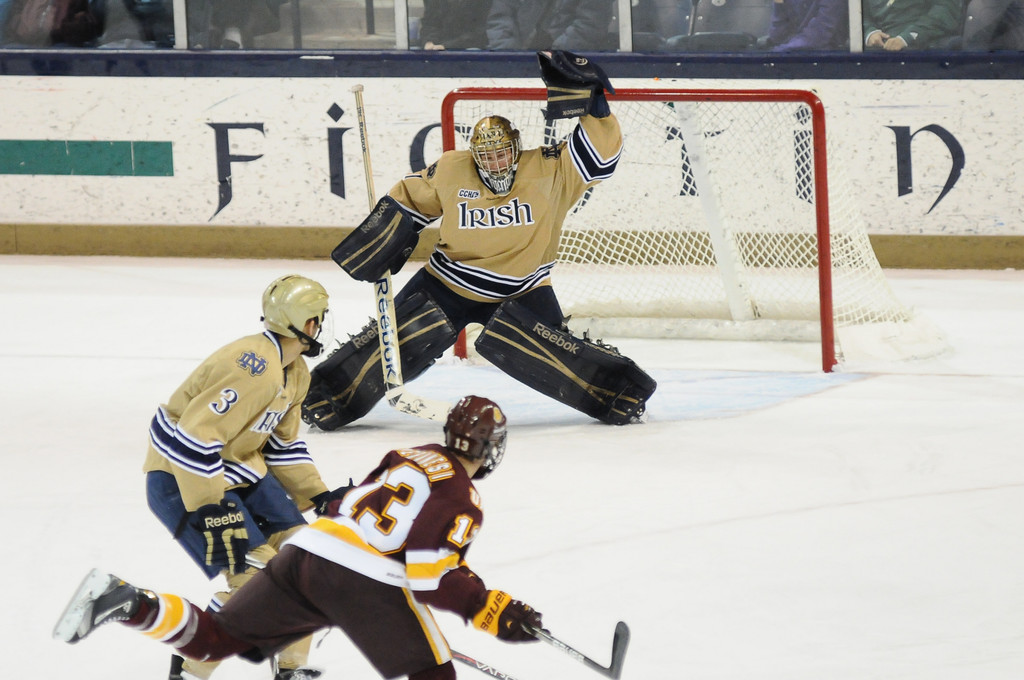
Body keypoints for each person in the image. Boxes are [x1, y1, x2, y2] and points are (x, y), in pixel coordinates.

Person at [55, 396, 543, 680]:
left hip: (308, 553)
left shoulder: (410, 454)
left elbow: (349, 505)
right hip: (365, 581)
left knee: (216, 640)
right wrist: (489, 608)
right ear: (491, 448)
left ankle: (129, 602)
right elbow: (430, 576)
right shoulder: (462, 498)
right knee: (433, 674)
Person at [303, 50, 656, 432]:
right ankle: (327, 394)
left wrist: (595, 108)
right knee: (388, 343)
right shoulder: (452, 169)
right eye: (486, 156)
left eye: (503, 154)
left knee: (561, 356)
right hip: (447, 282)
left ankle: (617, 392)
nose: (496, 163)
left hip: (524, 287)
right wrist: (387, 230)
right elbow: (411, 198)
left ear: (516, 148)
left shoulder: (550, 168)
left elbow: (600, 158)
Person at [143, 274, 352, 680]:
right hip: (181, 480)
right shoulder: (254, 368)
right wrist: (210, 507)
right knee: (257, 581)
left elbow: (281, 447)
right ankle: (190, 668)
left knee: (307, 561)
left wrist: (320, 495)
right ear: (308, 323)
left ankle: (291, 669)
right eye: (319, 318)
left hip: (241, 474)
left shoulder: (295, 371)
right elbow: (193, 439)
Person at [485, 0, 614, 50]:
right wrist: (509, 56)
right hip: (517, 64)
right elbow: (500, 18)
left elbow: (590, 26)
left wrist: (552, 58)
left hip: (569, 68)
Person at [862, 0, 962, 50]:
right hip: (871, 53)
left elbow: (944, 11)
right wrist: (870, 33)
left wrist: (906, 38)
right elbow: (859, 12)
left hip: (919, 53)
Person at [759, 0, 848, 51]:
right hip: (792, 58)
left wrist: (775, 53)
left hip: (828, 63)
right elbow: (778, 37)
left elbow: (816, 38)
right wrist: (779, 5)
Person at [419, 0, 492, 49]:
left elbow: (480, 32)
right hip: (439, 49)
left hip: (469, 50)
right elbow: (430, 23)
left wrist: (446, 46)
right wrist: (429, 41)